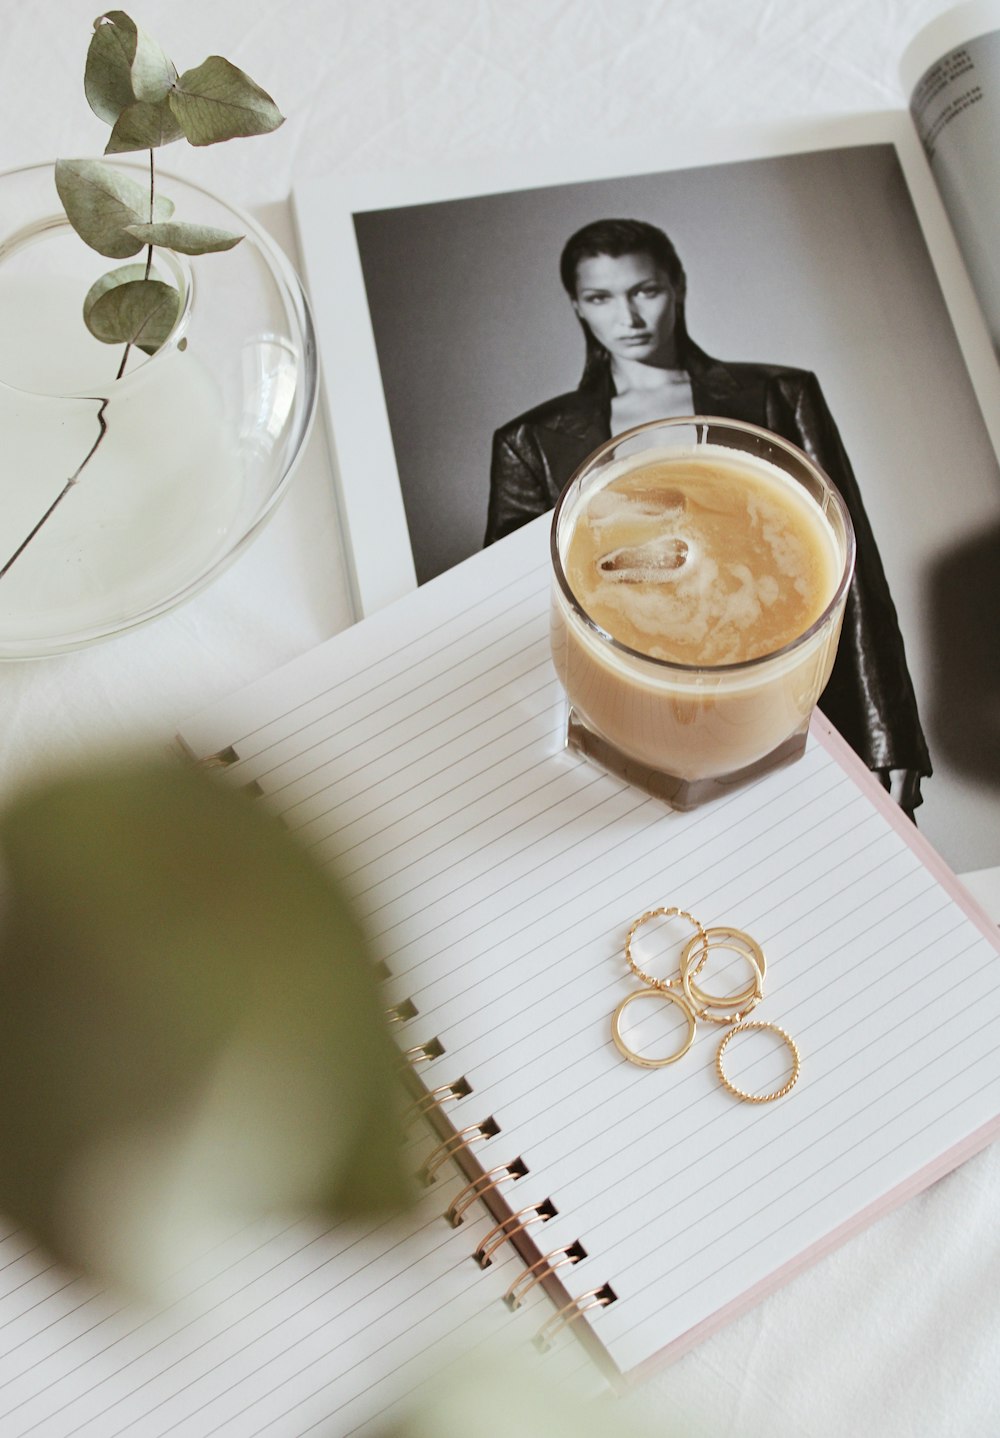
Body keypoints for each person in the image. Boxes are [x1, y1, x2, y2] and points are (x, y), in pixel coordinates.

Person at [485, 217, 931, 813]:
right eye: (601, 298)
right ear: (578, 308)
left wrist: (888, 736)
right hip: (602, 736)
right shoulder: (532, 439)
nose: (630, 318)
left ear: (678, 286)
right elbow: (500, 597)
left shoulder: (778, 394)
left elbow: (854, 574)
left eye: (645, 290)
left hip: (784, 728)